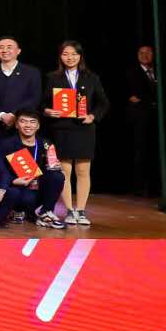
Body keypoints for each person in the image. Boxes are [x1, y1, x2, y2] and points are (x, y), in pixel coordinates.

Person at [43, 40, 110, 227]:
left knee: (83, 170)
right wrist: (48, 111)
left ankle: (81, 210)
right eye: (65, 54)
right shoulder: (52, 77)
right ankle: (69, 211)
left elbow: (103, 103)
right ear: (60, 57)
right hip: (61, 129)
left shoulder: (91, 77)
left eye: (73, 54)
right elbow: (42, 103)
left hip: (84, 129)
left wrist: (93, 116)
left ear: (80, 56)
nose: (70, 57)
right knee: (64, 171)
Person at [1, 110, 68, 228]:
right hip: (17, 188)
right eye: (23, 121)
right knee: (27, 198)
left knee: (57, 176)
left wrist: (56, 167)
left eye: (32, 122)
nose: (28, 125)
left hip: (36, 186)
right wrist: (12, 180)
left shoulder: (45, 144)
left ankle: (46, 211)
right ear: (16, 125)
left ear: (38, 126)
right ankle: (17, 210)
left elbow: (51, 169)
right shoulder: (6, 145)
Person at [0, 36, 41, 141]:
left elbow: (35, 97)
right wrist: (1, 115)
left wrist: (14, 114)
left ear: (18, 51)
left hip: (23, 126)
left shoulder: (31, 72)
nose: (5, 50)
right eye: (1, 47)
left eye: (9, 47)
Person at [127, 44, 160, 197]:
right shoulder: (132, 72)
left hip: (155, 118)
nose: (145, 55)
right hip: (140, 119)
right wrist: (148, 100)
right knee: (141, 151)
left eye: (148, 52)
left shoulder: (157, 71)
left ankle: (155, 186)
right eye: (141, 52)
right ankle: (140, 187)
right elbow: (134, 97)